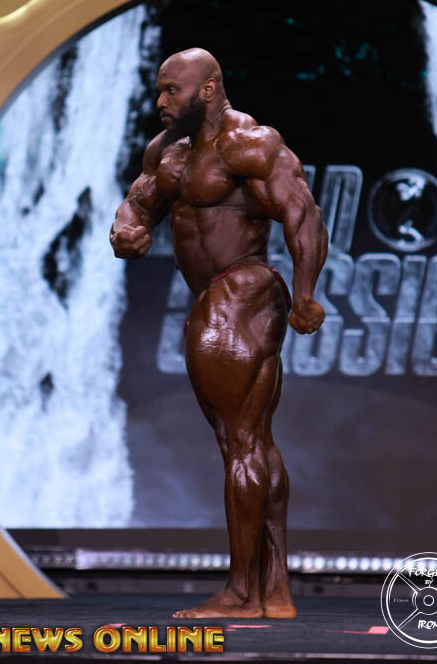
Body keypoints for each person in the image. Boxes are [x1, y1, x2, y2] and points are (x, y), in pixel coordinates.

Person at [110, 48, 328, 619]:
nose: (161, 101)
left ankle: (240, 592)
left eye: (172, 90)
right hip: (212, 296)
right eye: (159, 90)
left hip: (242, 289)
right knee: (252, 442)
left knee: (241, 442)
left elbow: (302, 214)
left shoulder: (250, 144)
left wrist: (306, 294)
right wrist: (126, 229)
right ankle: (273, 591)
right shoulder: (167, 151)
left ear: (207, 88)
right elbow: (138, 203)